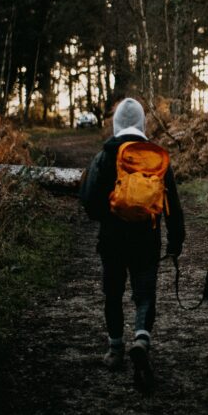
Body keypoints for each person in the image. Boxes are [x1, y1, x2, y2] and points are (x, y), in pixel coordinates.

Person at [79, 97, 184, 389]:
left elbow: (89, 202)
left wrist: (107, 215)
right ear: (142, 123)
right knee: (145, 294)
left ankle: (115, 350)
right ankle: (141, 338)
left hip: (112, 240)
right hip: (146, 240)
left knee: (112, 293)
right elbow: (172, 205)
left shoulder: (105, 155)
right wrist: (176, 241)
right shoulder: (156, 157)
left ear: (117, 124)